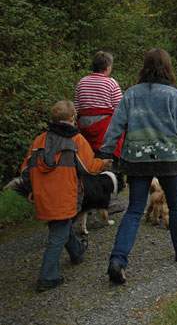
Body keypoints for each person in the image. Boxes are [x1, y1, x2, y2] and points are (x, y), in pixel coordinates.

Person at [101, 48, 177, 285]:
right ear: (167, 67)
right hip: (167, 157)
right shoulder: (174, 96)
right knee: (176, 205)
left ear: (144, 67)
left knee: (134, 209)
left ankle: (118, 260)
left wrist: (106, 150)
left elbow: (115, 127)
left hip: (136, 159)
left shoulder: (131, 95)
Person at [18, 100, 110, 291]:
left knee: (61, 224)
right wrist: (104, 163)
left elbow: (26, 170)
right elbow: (89, 167)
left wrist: (30, 190)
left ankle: (77, 252)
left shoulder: (39, 140)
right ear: (73, 118)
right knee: (58, 232)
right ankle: (47, 276)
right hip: (65, 193)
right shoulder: (76, 139)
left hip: (43, 194)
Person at [74, 51, 124, 156]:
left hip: (84, 126)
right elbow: (120, 108)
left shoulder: (82, 82)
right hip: (104, 128)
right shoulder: (111, 83)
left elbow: (77, 107)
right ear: (108, 67)